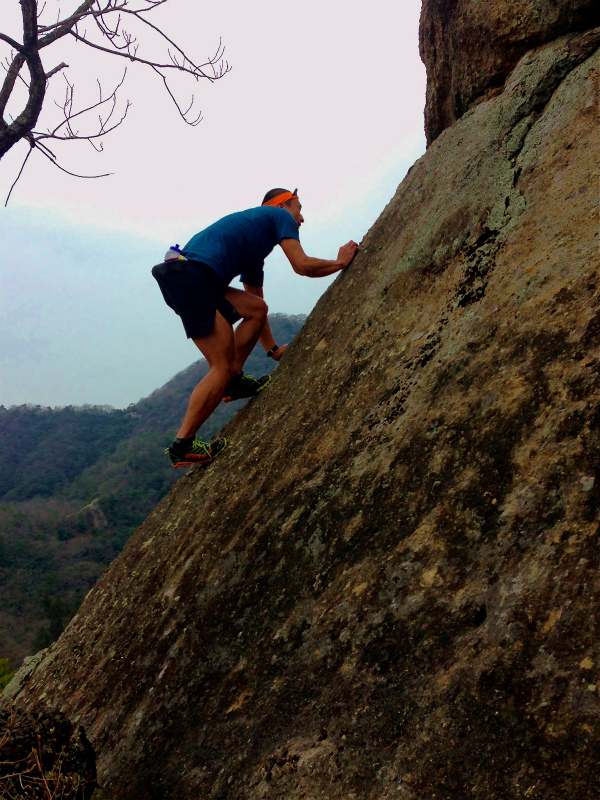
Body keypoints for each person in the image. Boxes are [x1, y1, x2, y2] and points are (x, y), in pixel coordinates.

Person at [152, 188, 359, 468]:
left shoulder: (255, 244)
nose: (302, 218)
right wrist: (340, 263)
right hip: (190, 277)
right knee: (220, 367)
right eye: (299, 209)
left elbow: (256, 306)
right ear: (284, 204)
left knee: (254, 309)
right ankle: (183, 445)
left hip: (190, 276)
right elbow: (302, 265)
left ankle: (234, 382)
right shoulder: (277, 215)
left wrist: (272, 350)